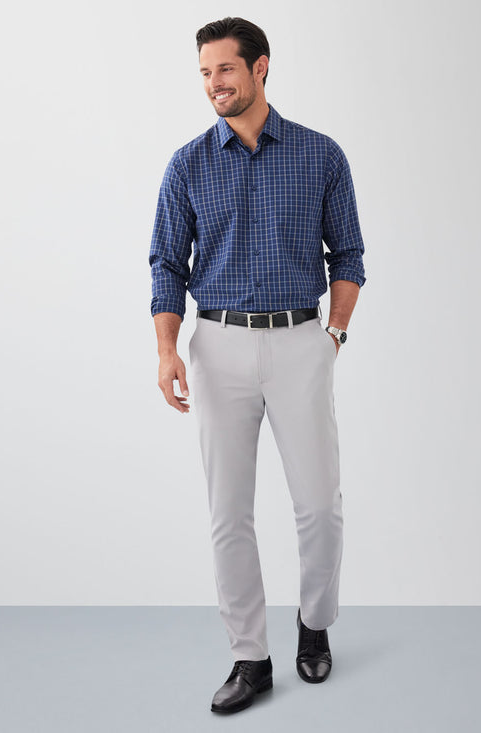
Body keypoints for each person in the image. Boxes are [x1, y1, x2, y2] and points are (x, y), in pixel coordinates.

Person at [149, 16, 366, 715]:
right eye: (205, 73)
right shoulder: (187, 165)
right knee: (228, 511)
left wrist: (333, 335)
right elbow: (166, 264)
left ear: (260, 67)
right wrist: (167, 349)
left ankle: (315, 622)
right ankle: (250, 656)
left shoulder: (320, 155)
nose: (214, 83)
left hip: (301, 340)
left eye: (225, 69)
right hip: (217, 346)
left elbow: (349, 254)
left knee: (320, 506)